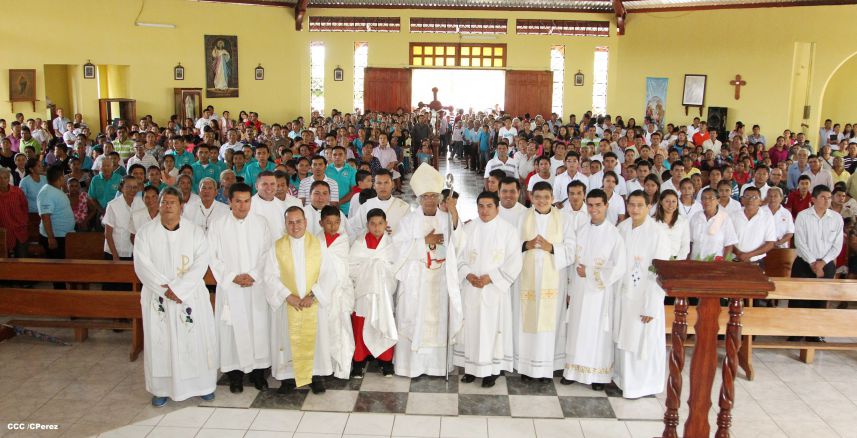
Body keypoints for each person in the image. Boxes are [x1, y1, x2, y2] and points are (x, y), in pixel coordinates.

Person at [133, 187, 217, 407]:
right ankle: (161, 388)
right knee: (160, 342)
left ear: (182, 206)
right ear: (158, 205)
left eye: (172, 202)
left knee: (195, 340)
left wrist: (179, 288)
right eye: (164, 202)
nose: (168, 206)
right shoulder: (145, 233)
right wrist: (166, 289)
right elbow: (142, 265)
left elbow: (201, 262)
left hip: (189, 296)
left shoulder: (195, 232)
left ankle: (203, 385)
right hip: (158, 297)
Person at [393, 163, 463, 378]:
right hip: (417, 280)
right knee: (415, 318)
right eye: (425, 196)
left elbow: (460, 241)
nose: (430, 200)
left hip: (440, 280)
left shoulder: (445, 218)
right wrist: (424, 241)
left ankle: (437, 365)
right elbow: (397, 247)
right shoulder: (409, 221)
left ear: (440, 198)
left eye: (434, 196)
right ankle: (412, 366)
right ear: (418, 199)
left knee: (439, 320)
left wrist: (454, 214)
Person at [263, 206, 338, 395]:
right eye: (290, 222)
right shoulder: (277, 246)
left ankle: (315, 375)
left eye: (299, 221)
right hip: (289, 304)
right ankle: (288, 377)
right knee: (287, 340)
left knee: (315, 340)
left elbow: (329, 273)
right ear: (285, 224)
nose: (295, 226)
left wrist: (313, 295)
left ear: (305, 222)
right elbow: (270, 276)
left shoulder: (318, 244)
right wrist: (288, 295)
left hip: (312, 304)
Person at [208, 182, 273, 394]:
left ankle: (258, 374)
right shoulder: (218, 225)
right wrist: (232, 277)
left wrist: (253, 275)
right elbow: (212, 256)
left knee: (258, 328)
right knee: (232, 330)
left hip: (256, 285)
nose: (243, 206)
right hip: (231, 287)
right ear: (229, 201)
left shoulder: (261, 223)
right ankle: (235, 375)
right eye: (238, 201)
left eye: (247, 201)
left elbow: (267, 253)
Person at [454, 191, 522, 388]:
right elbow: (458, 256)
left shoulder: (508, 230)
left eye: (489, 206)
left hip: (495, 290)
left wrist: (490, 278)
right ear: (476, 208)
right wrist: (468, 274)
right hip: (472, 288)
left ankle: (491, 371)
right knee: (472, 328)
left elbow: (514, 261)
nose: (484, 210)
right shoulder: (468, 229)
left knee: (492, 330)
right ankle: (471, 368)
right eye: (481, 206)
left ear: (497, 208)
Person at [562, 189, 626, 391]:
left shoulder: (614, 234)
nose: (594, 209)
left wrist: (589, 272)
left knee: (597, 332)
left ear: (606, 205)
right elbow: (572, 262)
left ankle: (598, 374)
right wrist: (570, 290)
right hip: (580, 290)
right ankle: (573, 370)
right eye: (590, 205)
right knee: (576, 329)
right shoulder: (581, 230)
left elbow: (618, 267)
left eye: (598, 205)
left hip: (599, 293)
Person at [514, 181, 575, 382]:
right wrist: (526, 244)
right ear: (531, 197)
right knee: (526, 321)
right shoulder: (522, 217)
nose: (541, 201)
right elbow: (511, 245)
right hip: (527, 278)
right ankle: (527, 367)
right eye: (537, 197)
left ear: (553, 198)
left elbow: (572, 249)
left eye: (546, 197)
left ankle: (546, 369)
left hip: (553, 280)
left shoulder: (564, 219)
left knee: (550, 323)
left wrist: (552, 248)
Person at [614, 190, 670, 399]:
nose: (635, 209)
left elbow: (659, 271)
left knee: (641, 338)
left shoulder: (657, 233)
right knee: (624, 336)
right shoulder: (623, 228)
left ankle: (642, 384)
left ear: (649, 207)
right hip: (624, 293)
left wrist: (652, 304)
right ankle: (622, 379)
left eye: (640, 205)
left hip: (645, 296)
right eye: (631, 205)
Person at [348, 208, 399, 377]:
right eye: (373, 224)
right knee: (360, 325)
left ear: (386, 224)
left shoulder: (391, 244)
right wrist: (371, 267)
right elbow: (351, 267)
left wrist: (380, 267)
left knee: (383, 322)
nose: (377, 227)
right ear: (367, 225)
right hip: (364, 293)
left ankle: (385, 361)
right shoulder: (359, 243)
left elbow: (396, 266)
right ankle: (359, 361)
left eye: (380, 224)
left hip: (382, 293)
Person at [788, 185, 843, 336]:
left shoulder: (836, 218)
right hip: (804, 263)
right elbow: (800, 242)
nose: (827, 200)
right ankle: (796, 333)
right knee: (799, 299)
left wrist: (823, 262)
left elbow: (837, 246)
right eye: (823, 197)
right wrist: (813, 262)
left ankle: (815, 334)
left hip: (826, 265)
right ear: (813, 199)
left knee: (821, 299)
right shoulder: (803, 216)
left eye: (829, 197)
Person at [318, 205, 356, 380]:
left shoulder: (344, 240)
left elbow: (347, 265)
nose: (333, 226)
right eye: (328, 223)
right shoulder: (316, 241)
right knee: (324, 330)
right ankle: (325, 365)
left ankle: (342, 365)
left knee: (342, 330)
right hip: (322, 293)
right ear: (321, 223)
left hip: (339, 292)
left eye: (336, 223)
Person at [348, 169, 410, 240]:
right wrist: (373, 231)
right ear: (374, 185)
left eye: (386, 182)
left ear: (392, 184)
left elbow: (409, 232)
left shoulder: (403, 207)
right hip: (372, 249)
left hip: (395, 247)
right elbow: (355, 228)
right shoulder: (366, 206)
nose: (383, 186)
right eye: (379, 183)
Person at [103, 176, 142, 267]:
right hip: (115, 252)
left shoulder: (141, 203)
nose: (132, 190)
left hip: (133, 252)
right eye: (128, 187)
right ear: (121, 188)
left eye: (134, 187)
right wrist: (115, 256)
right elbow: (108, 234)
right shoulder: (113, 205)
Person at [689, 188, 738, 260]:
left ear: (718, 200)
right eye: (704, 198)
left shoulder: (725, 218)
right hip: (695, 261)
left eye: (711, 198)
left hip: (715, 263)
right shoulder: (696, 217)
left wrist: (724, 263)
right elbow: (690, 242)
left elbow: (729, 244)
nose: (707, 201)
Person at [731, 186, 776, 264]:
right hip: (735, 259)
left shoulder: (767, 217)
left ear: (760, 201)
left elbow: (770, 243)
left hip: (757, 260)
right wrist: (739, 254)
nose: (750, 200)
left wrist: (749, 255)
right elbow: (728, 239)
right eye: (747, 196)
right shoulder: (733, 216)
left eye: (755, 197)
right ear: (742, 200)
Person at [251, 171, 300, 240]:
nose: (269, 188)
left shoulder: (281, 204)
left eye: (272, 184)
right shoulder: (249, 205)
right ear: (256, 186)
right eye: (265, 184)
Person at [0, 167, 29, 257]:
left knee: (22, 262)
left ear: (9, 179)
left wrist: (23, 222)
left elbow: (25, 207)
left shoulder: (17, 192)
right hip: (3, 233)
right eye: (0, 178)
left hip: (20, 231)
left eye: (5, 178)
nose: (2, 180)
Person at [654, 190, 690, 260]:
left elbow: (685, 245)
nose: (671, 204)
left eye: (674, 201)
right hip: (658, 262)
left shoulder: (683, 221)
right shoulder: (653, 222)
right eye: (667, 201)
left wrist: (676, 261)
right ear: (661, 202)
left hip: (677, 263)